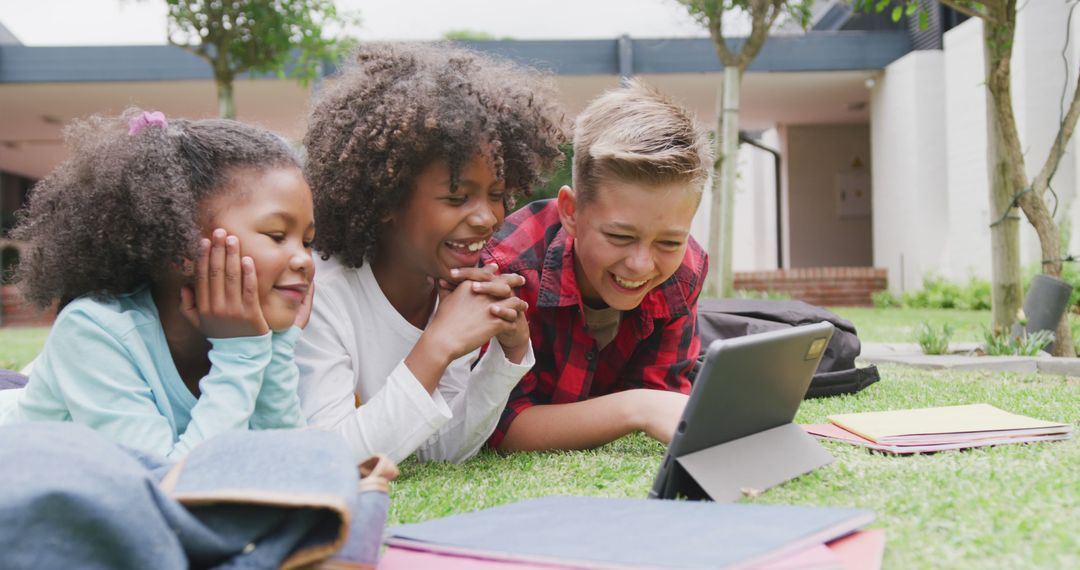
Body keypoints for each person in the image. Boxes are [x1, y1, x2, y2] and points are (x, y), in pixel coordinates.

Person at [297, 43, 566, 463]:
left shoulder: (447, 284)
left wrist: (507, 354)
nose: (486, 218)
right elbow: (332, 457)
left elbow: (438, 451)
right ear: (386, 198)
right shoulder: (320, 294)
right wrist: (437, 345)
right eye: (457, 198)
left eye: (497, 195)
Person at [0, 110, 315, 459]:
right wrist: (240, 355)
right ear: (183, 247)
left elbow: (292, 463)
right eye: (276, 235)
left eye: (308, 241)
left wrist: (276, 348)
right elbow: (171, 489)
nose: (303, 259)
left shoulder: (250, 334)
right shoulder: (93, 330)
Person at [482, 80, 713, 452]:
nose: (640, 265)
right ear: (571, 212)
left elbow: (664, 394)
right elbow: (497, 426)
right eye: (620, 237)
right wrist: (636, 408)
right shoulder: (508, 271)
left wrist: (649, 404)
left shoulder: (683, 270)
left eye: (669, 242)